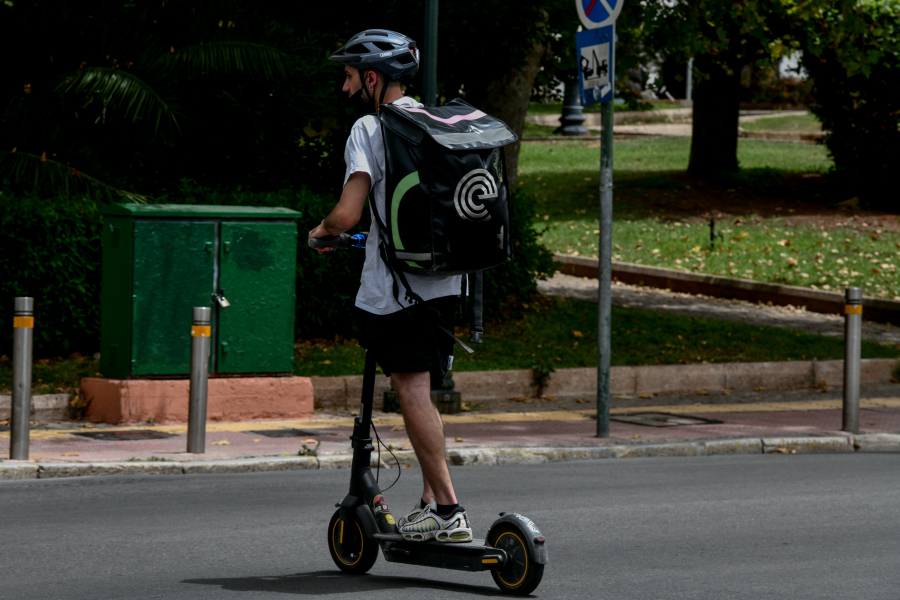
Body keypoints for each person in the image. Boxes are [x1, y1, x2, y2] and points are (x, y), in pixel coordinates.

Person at [308, 29, 473, 544]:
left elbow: (348, 213)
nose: (345, 87)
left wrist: (322, 232)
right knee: (423, 391)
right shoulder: (435, 122)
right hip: (447, 279)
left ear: (373, 79)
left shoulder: (370, 128)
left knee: (412, 391)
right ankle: (429, 503)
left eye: (350, 77)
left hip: (398, 289)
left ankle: (449, 509)